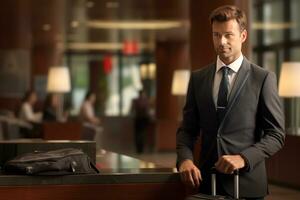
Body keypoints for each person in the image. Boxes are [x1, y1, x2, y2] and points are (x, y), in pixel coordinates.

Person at [176, 5, 285, 200]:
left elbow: (276, 135)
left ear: (243, 36)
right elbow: (187, 130)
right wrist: (185, 159)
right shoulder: (198, 79)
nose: (221, 41)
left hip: (247, 186)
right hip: (207, 184)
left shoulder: (263, 78)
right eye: (216, 35)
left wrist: (244, 158)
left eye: (228, 35)